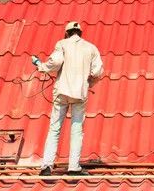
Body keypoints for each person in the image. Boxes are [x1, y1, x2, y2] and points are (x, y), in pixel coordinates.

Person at [31, 21, 104, 176]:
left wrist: (40, 66)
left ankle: (47, 166)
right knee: (77, 129)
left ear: (67, 33)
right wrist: (88, 83)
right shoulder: (91, 48)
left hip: (62, 92)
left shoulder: (62, 44)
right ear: (80, 33)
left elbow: (55, 63)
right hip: (80, 94)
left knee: (55, 128)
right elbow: (98, 71)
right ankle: (73, 167)